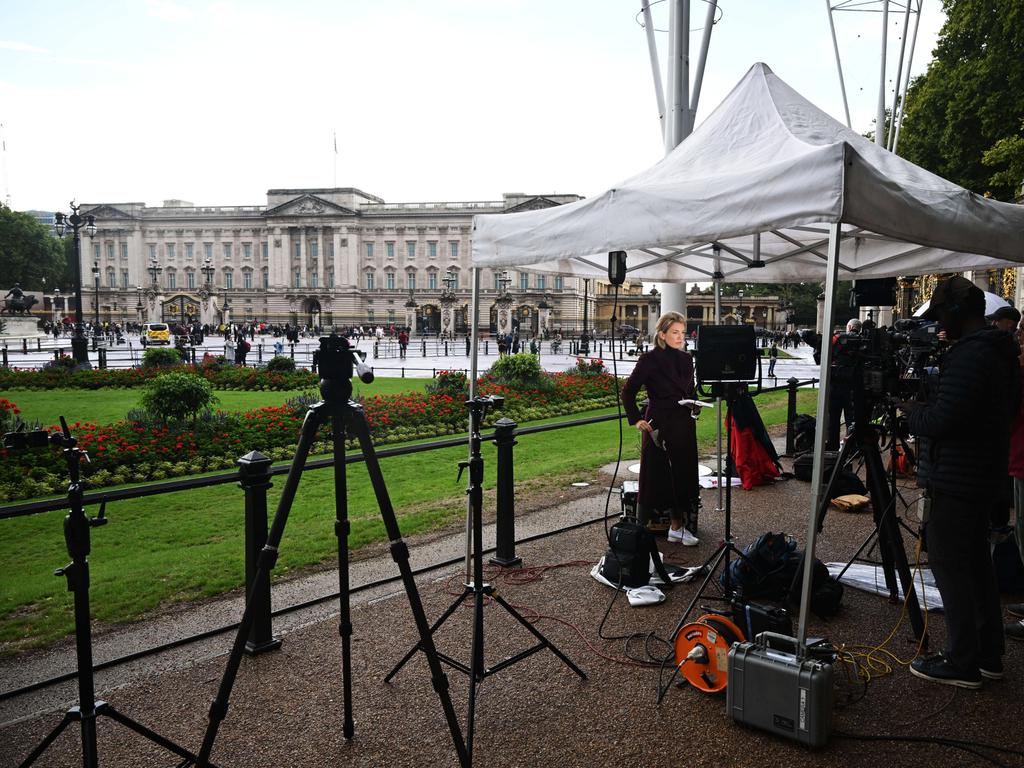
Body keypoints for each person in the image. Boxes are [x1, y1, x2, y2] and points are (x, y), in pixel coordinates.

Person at [904, 276, 1019, 688]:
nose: (939, 326)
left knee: (950, 566)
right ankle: (987, 653)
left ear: (955, 313)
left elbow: (942, 420)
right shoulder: (998, 351)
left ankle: (962, 660)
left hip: (958, 476)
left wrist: (909, 412)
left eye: (941, 315)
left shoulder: (971, 356)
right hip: (980, 473)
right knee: (975, 565)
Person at [622, 311, 701, 545]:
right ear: (663, 334)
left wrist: (695, 405)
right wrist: (636, 419)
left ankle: (677, 527)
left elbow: (690, 390)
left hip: (684, 423)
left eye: (683, 332)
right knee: (656, 477)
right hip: (658, 423)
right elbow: (628, 392)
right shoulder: (649, 360)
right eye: (675, 332)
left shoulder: (686, 359)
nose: (680, 337)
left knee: (683, 474)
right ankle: (640, 530)